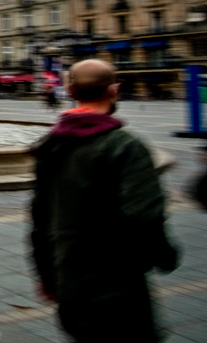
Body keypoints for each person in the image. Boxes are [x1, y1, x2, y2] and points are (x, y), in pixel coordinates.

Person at [30, 59, 178, 343]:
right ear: (115, 90)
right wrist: (165, 256)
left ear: (70, 90)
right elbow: (144, 216)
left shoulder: (49, 145)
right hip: (118, 286)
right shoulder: (125, 146)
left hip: (69, 280)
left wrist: (46, 275)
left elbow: (39, 220)